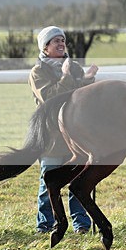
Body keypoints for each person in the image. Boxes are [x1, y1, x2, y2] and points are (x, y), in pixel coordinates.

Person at [29, 26, 98, 234]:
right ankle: (45, 225)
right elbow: (51, 97)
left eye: (62, 40)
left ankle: (81, 225)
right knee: (48, 185)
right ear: (45, 47)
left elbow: (81, 95)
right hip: (51, 137)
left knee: (78, 181)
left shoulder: (74, 67)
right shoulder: (38, 72)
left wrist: (87, 79)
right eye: (55, 41)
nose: (61, 44)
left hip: (76, 135)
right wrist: (67, 75)